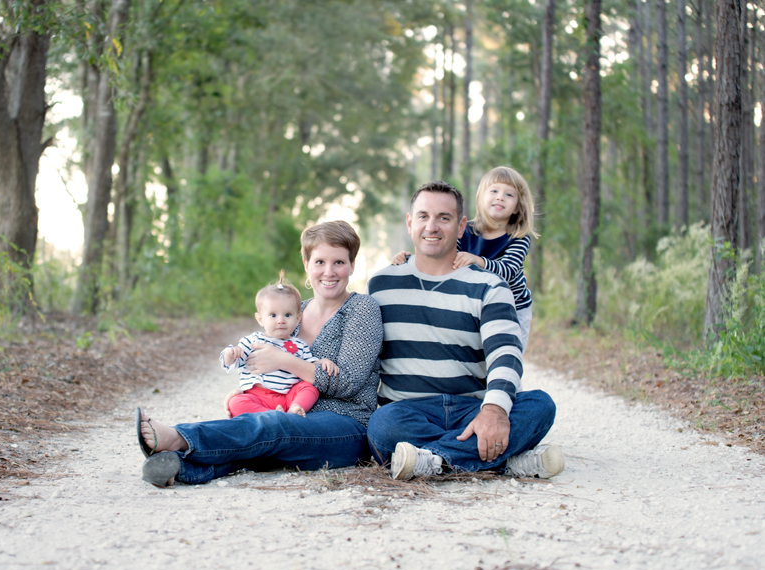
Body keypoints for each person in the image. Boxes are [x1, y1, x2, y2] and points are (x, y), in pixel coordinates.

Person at [136, 221, 383, 486]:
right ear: (306, 264)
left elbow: (347, 383)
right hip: (288, 413)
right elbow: (261, 365)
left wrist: (285, 361)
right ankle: (178, 467)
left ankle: (178, 438)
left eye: (339, 262)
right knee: (265, 435)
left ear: (352, 265)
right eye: (320, 262)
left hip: (346, 426)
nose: (329, 272)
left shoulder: (362, 309)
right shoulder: (291, 311)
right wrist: (251, 391)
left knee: (274, 426)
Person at [366, 180, 563, 481]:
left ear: (461, 227)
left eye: (443, 218)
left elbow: (506, 354)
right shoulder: (381, 285)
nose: (432, 226)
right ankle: (502, 461)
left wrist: (494, 411)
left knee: (539, 406)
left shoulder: (490, 285)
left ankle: (435, 461)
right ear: (410, 223)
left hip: (473, 409)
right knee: (382, 425)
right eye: (423, 216)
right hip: (408, 414)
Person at [391, 166, 537, 350]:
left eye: (509, 195)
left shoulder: (518, 237)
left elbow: (508, 270)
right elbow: (445, 256)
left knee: (508, 351)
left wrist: (478, 261)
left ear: (517, 207)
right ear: (481, 198)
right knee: (478, 352)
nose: (500, 197)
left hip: (514, 306)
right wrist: (412, 258)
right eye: (494, 191)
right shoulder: (466, 230)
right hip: (476, 303)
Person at [221, 271, 339, 417]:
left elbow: (309, 365)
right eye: (273, 315)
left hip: (288, 397)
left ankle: (295, 409)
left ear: (297, 318)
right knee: (236, 402)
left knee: (310, 388)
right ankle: (272, 415)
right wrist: (230, 354)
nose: (281, 320)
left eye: (287, 315)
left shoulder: (298, 345)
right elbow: (232, 362)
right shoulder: (252, 341)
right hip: (257, 396)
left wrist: (322, 362)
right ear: (260, 319)